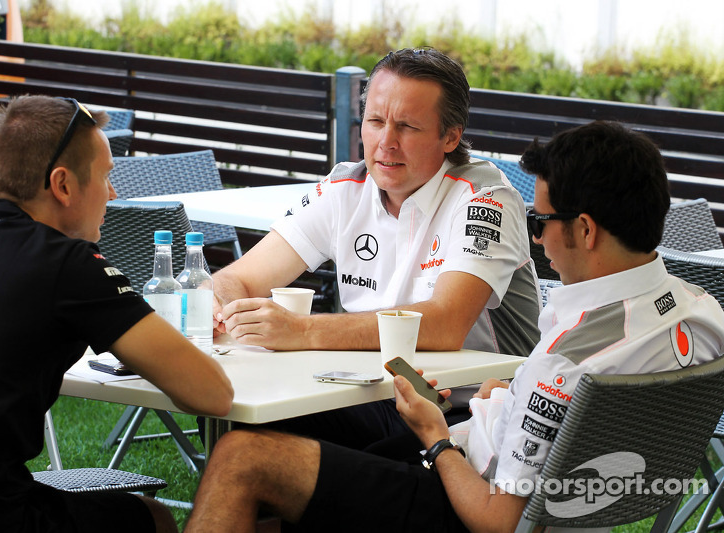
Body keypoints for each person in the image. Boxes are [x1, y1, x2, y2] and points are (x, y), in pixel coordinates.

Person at [185, 120, 724, 533]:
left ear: (584, 230)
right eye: (375, 121)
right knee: (302, 436)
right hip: (536, 475)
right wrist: (508, 395)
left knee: (242, 457)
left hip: (461, 496)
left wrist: (436, 438)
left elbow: (500, 521)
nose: (537, 242)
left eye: (541, 224)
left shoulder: (564, 363)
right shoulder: (700, 310)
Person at [0, 95, 234, 533]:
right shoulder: (65, 264)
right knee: (154, 517)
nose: (112, 193)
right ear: (63, 185)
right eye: (106, 176)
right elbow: (213, 395)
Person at [206, 48, 541, 450]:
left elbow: (445, 323)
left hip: (473, 415)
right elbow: (237, 277)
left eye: (408, 127)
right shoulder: (345, 187)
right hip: (374, 394)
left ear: (451, 136)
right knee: (245, 425)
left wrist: (301, 330)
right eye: (376, 121)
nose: (386, 143)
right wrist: (224, 307)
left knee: (275, 455)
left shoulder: (485, 198)